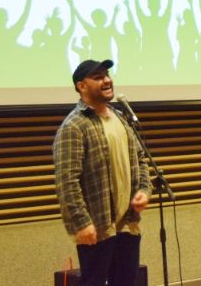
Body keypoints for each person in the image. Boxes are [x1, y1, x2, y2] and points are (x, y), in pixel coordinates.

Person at [53, 59, 151, 286]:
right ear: (81, 86)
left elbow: (139, 158)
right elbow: (67, 182)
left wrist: (144, 190)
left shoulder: (120, 118)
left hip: (127, 224)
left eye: (107, 75)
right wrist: (81, 223)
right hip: (97, 227)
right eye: (98, 77)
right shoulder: (74, 126)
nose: (107, 80)